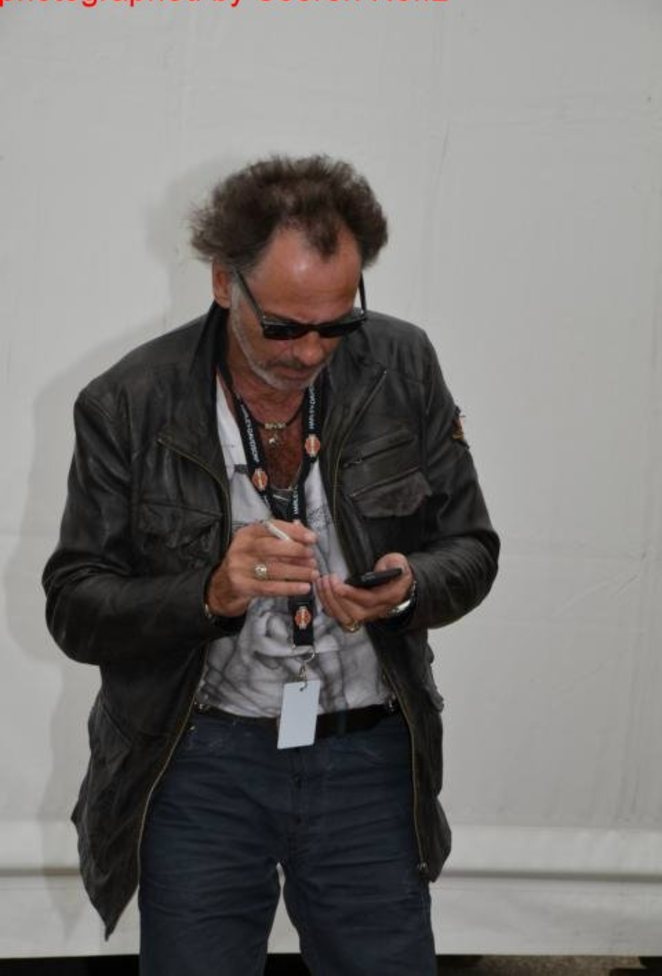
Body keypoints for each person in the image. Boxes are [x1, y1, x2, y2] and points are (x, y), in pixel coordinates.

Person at [42, 155, 499, 976]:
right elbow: (75, 607)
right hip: (199, 761)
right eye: (285, 327)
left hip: (368, 754)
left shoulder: (402, 364)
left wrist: (409, 590)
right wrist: (210, 592)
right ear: (225, 283)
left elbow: (472, 547)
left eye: (338, 324)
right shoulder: (128, 402)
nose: (312, 350)